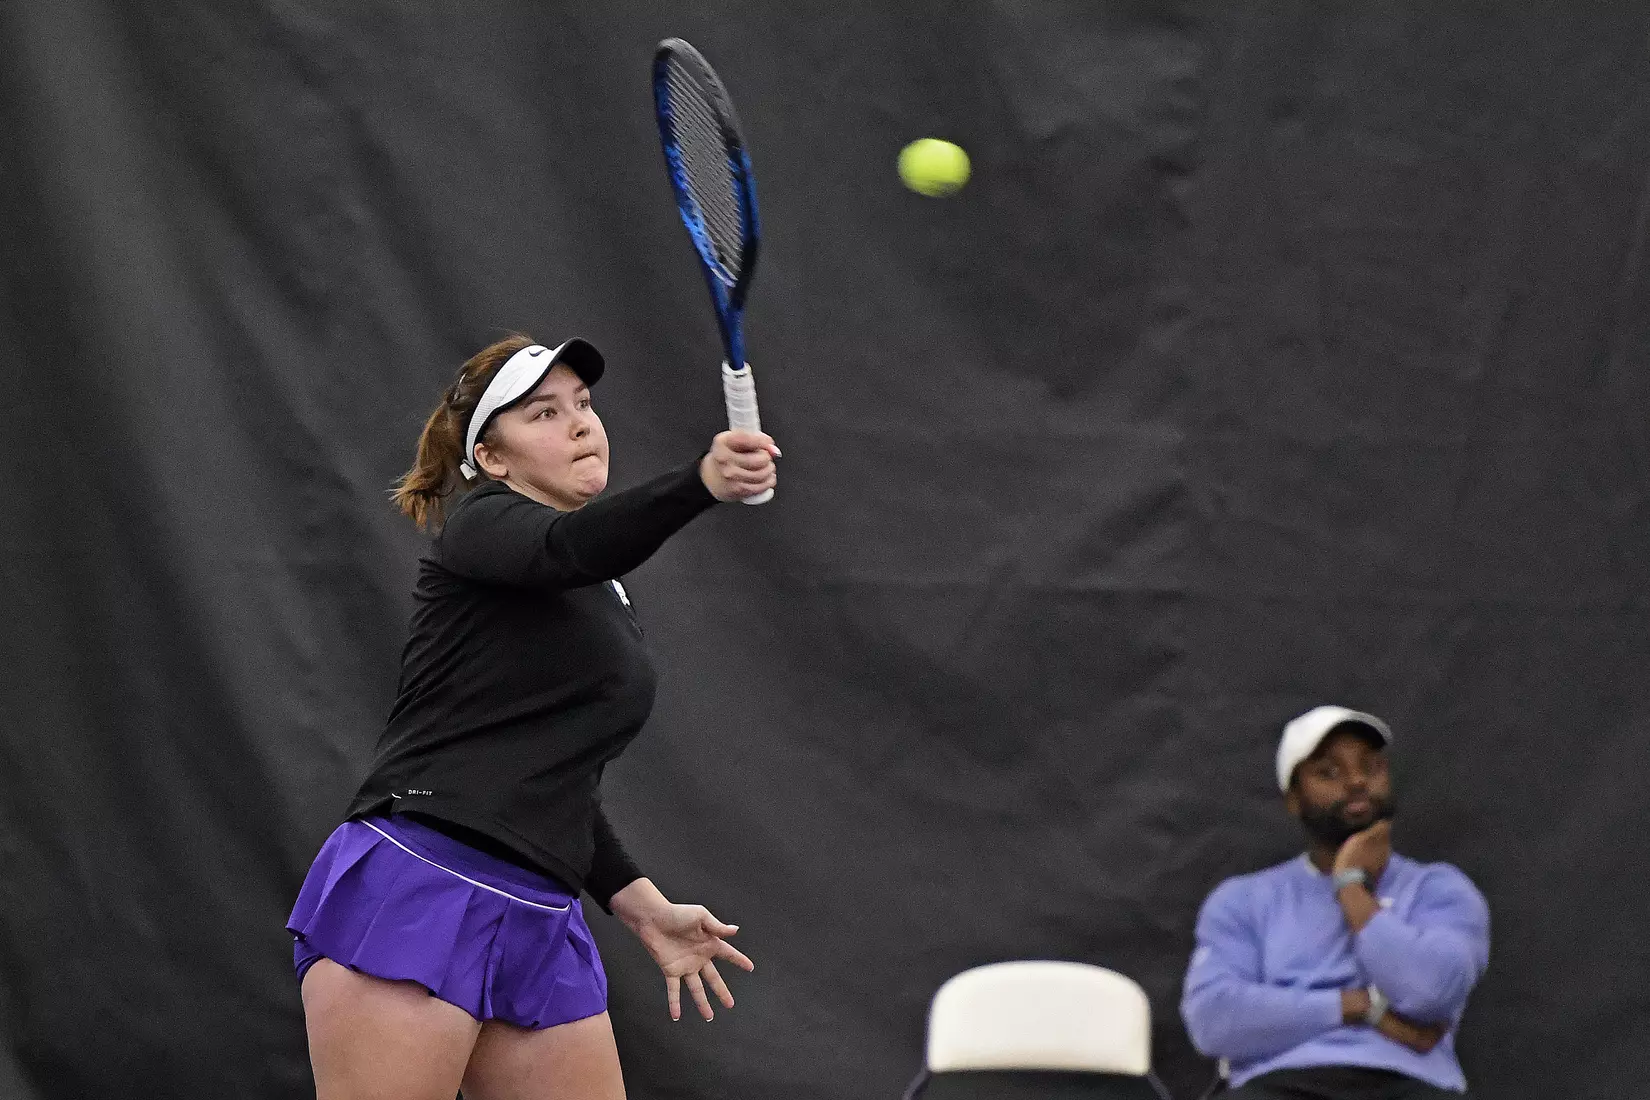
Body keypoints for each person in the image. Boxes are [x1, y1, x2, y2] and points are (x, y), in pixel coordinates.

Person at [287, 334, 780, 1100]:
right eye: (544, 413)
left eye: (583, 405)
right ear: (492, 459)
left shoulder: (600, 592)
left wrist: (642, 908)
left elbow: (557, 779)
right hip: (423, 883)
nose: (582, 424)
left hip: (541, 915)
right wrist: (700, 483)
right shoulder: (480, 524)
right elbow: (568, 547)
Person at [1181, 706, 1491, 1099]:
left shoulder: (1439, 889)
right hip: (1280, 1083)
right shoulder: (1242, 900)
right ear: (1293, 799)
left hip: (1407, 1081)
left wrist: (1349, 887)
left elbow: (1431, 992)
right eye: (1329, 772)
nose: (1357, 781)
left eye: (1371, 766)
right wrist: (1362, 1007)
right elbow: (1215, 1020)